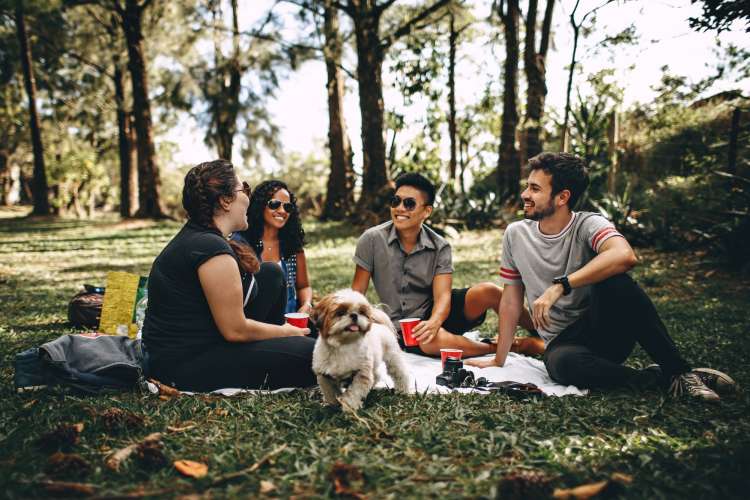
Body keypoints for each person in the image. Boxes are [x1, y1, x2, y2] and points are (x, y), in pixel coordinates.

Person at [466, 152, 736, 401]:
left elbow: (624, 255)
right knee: (562, 365)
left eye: (535, 189)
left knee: (617, 280)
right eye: (528, 186)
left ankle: (680, 371)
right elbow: (511, 301)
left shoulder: (588, 224)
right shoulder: (516, 234)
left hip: (606, 331)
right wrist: (499, 359)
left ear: (562, 197)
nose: (525, 194)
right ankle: (660, 378)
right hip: (564, 345)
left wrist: (561, 285)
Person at [142, 160, 315, 392]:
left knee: (271, 273)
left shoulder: (203, 238)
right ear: (225, 201)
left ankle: (282, 345)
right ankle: (286, 345)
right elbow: (235, 330)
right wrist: (286, 331)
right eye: (244, 188)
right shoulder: (210, 249)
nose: (248, 197)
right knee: (317, 356)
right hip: (186, 364)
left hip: (206, 341)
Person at [352, 172, 535, 357]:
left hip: (438, 312)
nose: (400, 208)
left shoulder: (440, 246)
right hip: (403, 327)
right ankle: (506, 347)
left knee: (490, 291)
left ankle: (542, 334)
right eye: (396, 201)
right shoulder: (372, 240)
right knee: (428, 340)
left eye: (409, 203)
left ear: (427, 211)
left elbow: (442, 298)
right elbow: (356, 293)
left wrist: (434, 322)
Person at [236, 180, 313, 317]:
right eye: (274, 204)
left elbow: (303, 286)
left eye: (288, 207)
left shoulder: (292, 245)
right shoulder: (240, 243)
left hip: (289, 321)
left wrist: (306, 304)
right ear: (260, 206)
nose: (282, 211)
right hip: (254, 323)